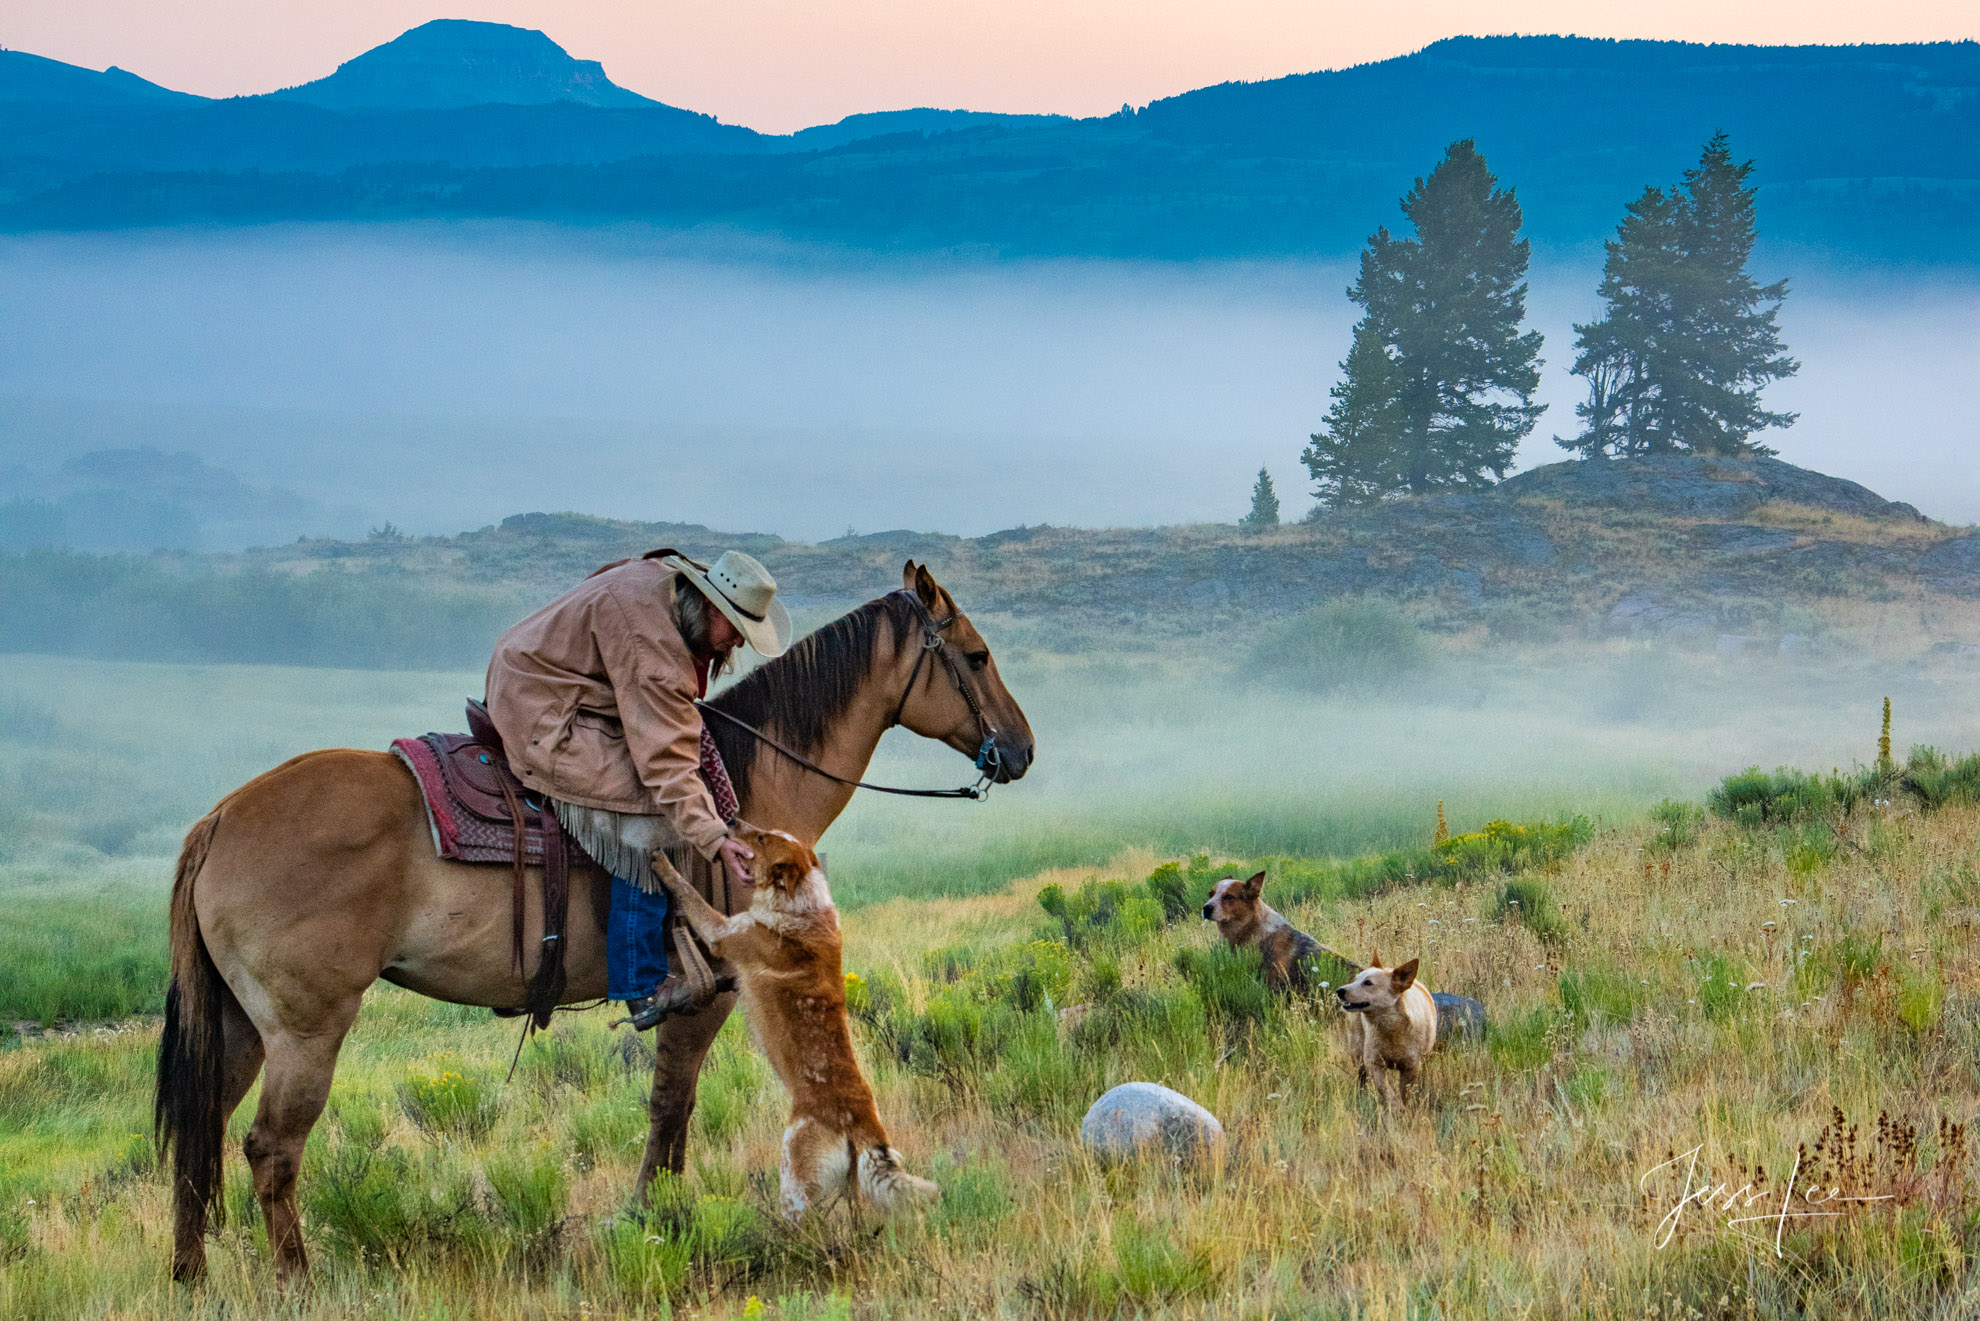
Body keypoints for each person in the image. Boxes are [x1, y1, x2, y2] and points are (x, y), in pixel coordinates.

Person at [484, 548, 792, 1030]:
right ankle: (642, 979)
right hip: (542, 706)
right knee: (649, 815)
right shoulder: (652, 642)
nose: (736, 643)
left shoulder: (668, 592)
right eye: (735, 628)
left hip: (568, 686)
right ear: (711, 605)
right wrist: (712, 836)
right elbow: (666, 764)